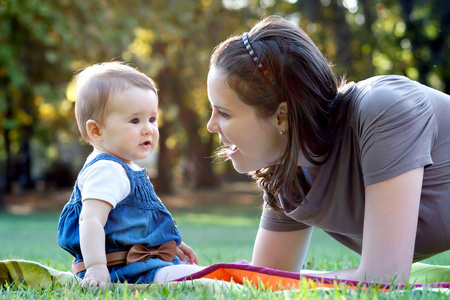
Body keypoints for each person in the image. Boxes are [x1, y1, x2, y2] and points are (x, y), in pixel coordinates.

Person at [206, 15, 450, 284]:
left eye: (224, 113)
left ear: (281, 117)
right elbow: (267, 280)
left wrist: (295, 280)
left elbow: (384, 277)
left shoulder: (384, 111)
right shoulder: (288, 171)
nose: (210, 126)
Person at [57, 62, 204, 289]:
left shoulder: (125, 168)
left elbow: (134, 227)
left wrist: (172, 244)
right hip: (123, 271)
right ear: (96, 130)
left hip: (142, 265)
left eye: (152, 119)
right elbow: (91, 219)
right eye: (135, 120)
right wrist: (97, 268)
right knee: (202, 278)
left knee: (199, 274)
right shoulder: (107, 170)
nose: (148, 129)